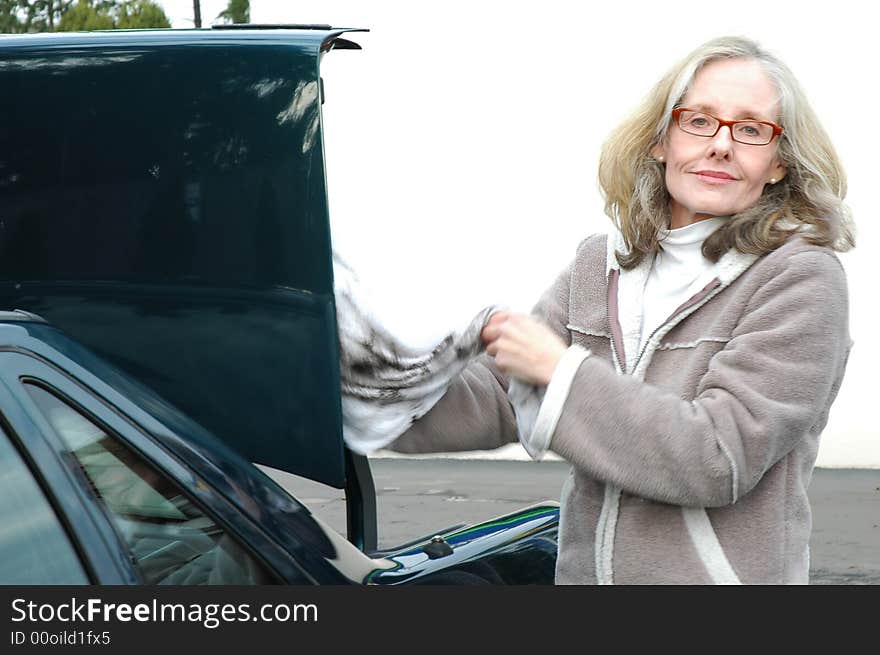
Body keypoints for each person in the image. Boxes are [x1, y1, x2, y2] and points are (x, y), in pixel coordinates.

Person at [389, 36, 854, 584]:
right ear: (661, 141)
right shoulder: (599, 263)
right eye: (699, 120)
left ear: (777, 164)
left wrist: (559, 371)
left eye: (751, 130)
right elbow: (498, 395)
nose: (722, 145)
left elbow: (716, 458)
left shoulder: (800, 277)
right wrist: (357, 393)